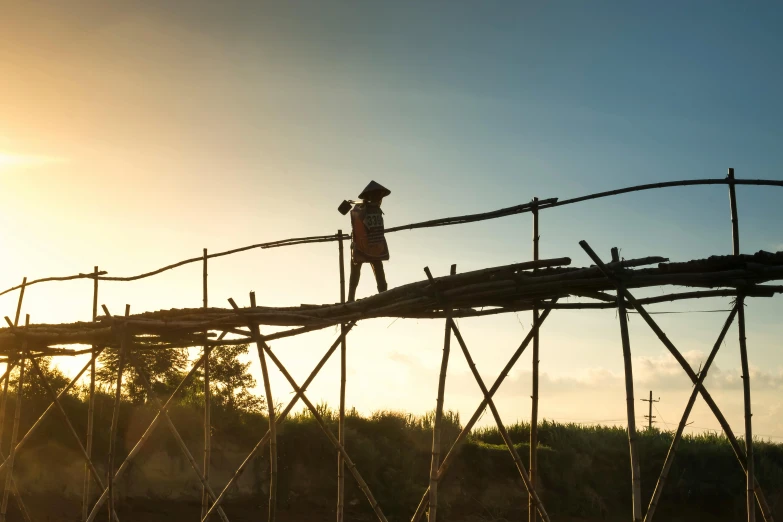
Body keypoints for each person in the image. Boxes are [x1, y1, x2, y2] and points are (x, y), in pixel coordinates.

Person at [347, 181, 391, 302]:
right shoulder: (360, 208)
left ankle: (384, 296)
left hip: (374, 244)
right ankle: (350, 298)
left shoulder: (376, 210)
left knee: (378, 269)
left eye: (379, 196)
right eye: (377, 195)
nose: (379, 199)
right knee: (356, 271)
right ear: (370, 196)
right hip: (362, 244)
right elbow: (357, 223)